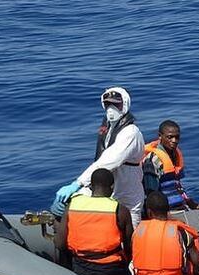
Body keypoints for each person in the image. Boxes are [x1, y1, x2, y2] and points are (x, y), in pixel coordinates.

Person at [52, 87, 145, 226]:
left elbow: (108, 161)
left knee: (130, 234)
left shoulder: (131, 133)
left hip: (127, 195)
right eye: (108, 104)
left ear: (125, 104)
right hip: (110, 191)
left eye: (116, 104)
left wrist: (77, 184)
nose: (111, 108)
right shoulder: (109, 128)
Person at [55, 168, 134, 275]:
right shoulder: (121, 210)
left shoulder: (72, 206)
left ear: (91, 187)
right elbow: (130, 248)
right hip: (111, 270)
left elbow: (60, 244)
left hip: (80, 267)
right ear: (112, 187)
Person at [130, 191, 199, 275]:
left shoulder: (137, 232)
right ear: (168, 211)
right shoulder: (181, 232)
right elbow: (197, 264)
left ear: (149, 212)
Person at [142, 120, 199, 212]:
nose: (174, 141)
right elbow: (151, 194)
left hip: (179, 206)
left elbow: (177, 185)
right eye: (170, 137)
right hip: (164, 210)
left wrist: (190, 203)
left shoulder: (174, 155)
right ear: (160, 136)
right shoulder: (153, 160)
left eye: (177, 137)